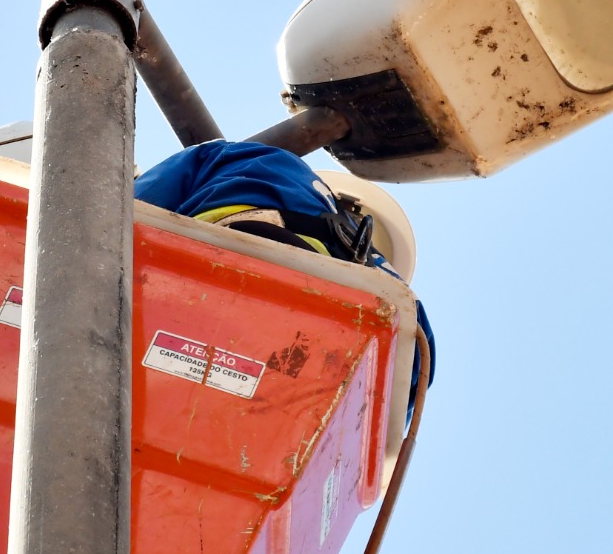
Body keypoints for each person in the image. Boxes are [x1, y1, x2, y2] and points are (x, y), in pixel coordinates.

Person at [135, 140, 434, 410]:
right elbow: (410, 382)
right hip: (311, 364)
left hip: (206, 271)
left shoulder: (255, 158)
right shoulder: (396, 291)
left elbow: (125, 209)